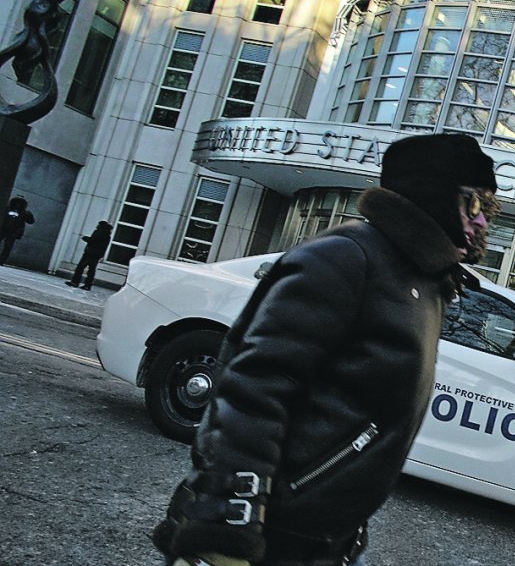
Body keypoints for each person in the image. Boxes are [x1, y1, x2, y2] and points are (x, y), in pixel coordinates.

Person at [152, 134, 497, 566]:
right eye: (473, 204)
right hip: (269, 535)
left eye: (486, 209)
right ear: (432, 194)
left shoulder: (423, 282)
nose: (481, 222)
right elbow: (253, 389)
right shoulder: (347, 258)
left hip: (325, 539)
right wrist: (227, 522)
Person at [65, 220, 112, 290]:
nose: (97, 226)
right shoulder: (107, 235)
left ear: (101, 226)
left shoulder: (98, 232)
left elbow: (93, 240)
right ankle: (88, 285)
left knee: (80, 268)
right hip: (97, 255)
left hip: (89, 253)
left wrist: (84, 238)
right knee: (91, 270)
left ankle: (75, 282)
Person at [0, 195, 35, 266]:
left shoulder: (24, 213)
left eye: (20, 203)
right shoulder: (7, 209)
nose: (17, 204)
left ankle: (1, 261)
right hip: (3, 229)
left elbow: (31, 221)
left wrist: (29, 215)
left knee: (7, 247)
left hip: (13, 232)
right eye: (16, 202)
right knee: (7, 247)